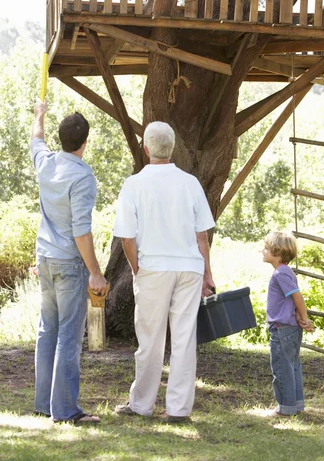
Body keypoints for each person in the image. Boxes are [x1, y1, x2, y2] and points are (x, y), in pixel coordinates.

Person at [113, 121, 215, 422]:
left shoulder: (134, 185)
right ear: (172, 149)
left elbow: (127, 237)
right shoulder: (190, 183)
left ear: (146, 149)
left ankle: (142, 404)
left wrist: (135, 267)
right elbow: (201, 236)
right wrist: (207, 273)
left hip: (153, 267)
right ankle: (178, 410)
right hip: (189, 267)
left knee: (150, 339)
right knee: (183, 339)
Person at [31, 99, 107, 425]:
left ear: (61, 140)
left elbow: (36, 140)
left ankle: (43, 404)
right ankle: (64, 411)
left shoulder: (46, 163)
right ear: (85, 143)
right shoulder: (83, 177)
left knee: (47, 330)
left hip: (44, 258)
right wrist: (96, 272)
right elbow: (81, 230)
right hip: (68, 264)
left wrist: (39, 115)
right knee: (67, 336)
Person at [262, 231, 313, 418]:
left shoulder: (280, 274)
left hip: (282, 329)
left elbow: (297, 296)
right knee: (292, 366)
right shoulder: (285, 272)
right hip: (290, 328)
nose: (263, 250)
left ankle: (285, 408)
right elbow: (294, 298)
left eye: (266, 248)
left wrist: (304, 317)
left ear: (278, 253)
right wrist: (300, 319)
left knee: (282, 369)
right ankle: (296, 404)